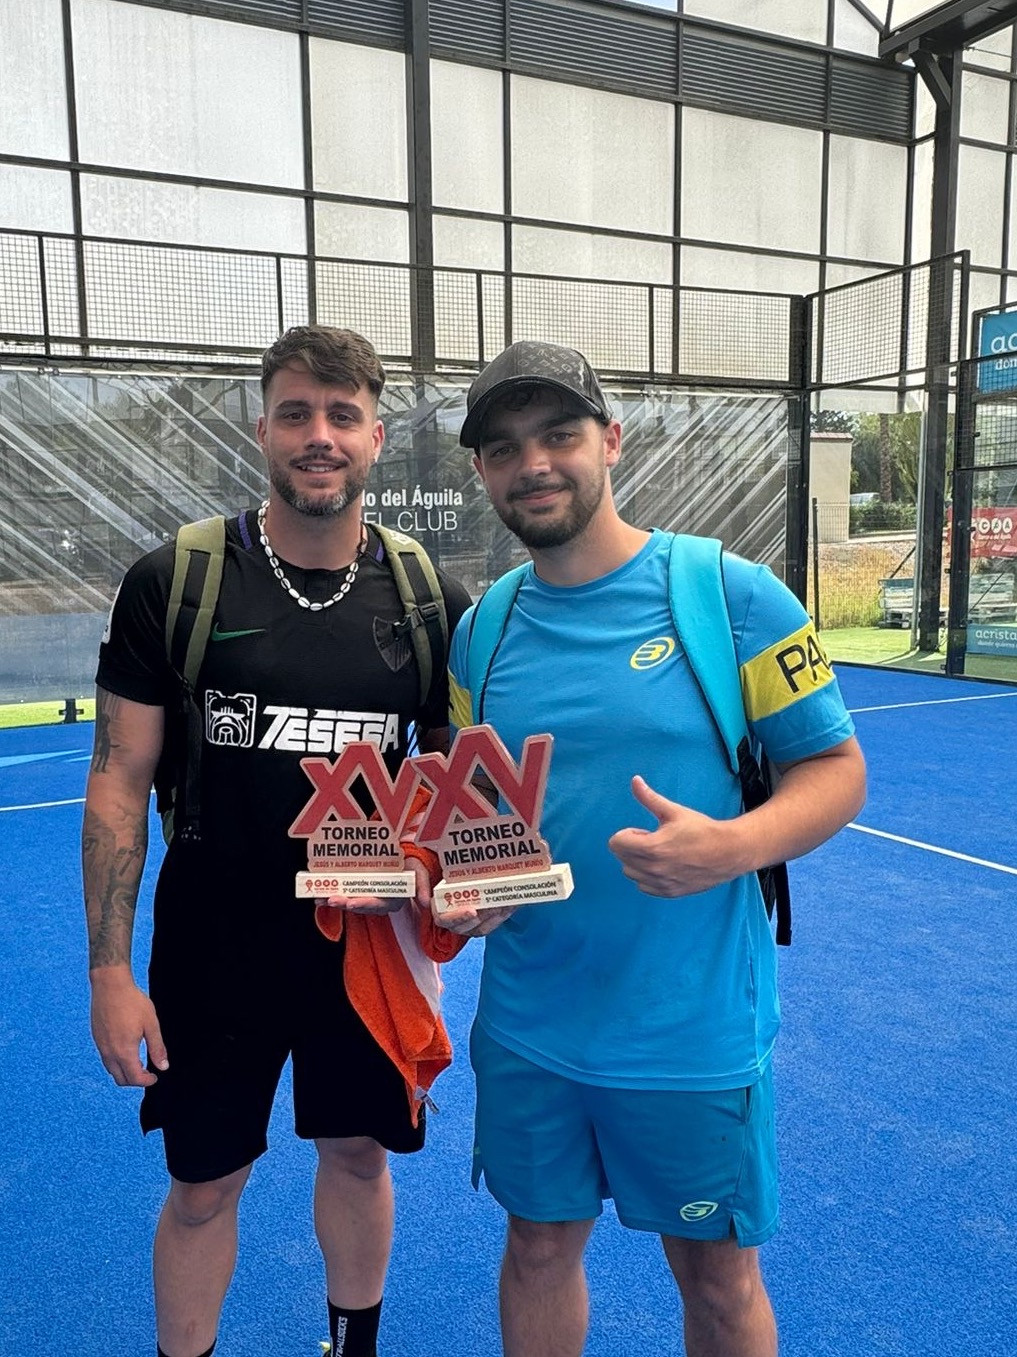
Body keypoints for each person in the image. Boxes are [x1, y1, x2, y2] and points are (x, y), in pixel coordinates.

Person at [441, 341, 867, 1357]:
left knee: (717, 1278)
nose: (533, 463)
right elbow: (481, 812)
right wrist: (468, 881)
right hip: (530, 1023)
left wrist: (733, 846)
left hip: (688, 1028)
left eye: (558, 434)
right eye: (503, 448)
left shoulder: (733, 596)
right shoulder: (481, 630)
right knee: (536, 1249)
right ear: (482, 472)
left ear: (611, 441)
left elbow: (837, 771)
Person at [82, 325, 472, 1357]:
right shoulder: (177, 581)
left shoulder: (429, 600)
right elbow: (118, 781)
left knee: (357, 1155)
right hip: (215, 942)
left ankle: (353, 1348)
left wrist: (461, 885)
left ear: (376, 436)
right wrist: (110, 972)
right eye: (295, 413)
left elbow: (458, 786)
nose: (318, 435)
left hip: (366, 946)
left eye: (343, 414)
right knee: (204, 1186)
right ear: (262, 429)